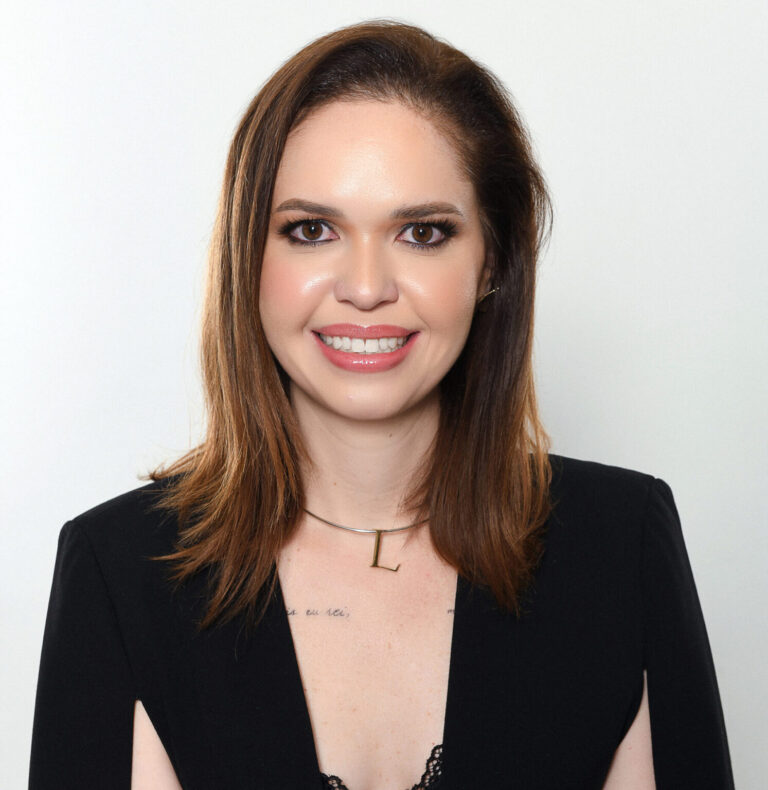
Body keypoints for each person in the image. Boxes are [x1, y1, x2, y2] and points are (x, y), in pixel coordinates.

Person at [29, 19, 734, 790]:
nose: (366, 288)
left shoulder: (621, 548)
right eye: (311, 230)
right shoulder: (118, 571)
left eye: (422, 232)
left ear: (493, 260)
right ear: (247, 256)